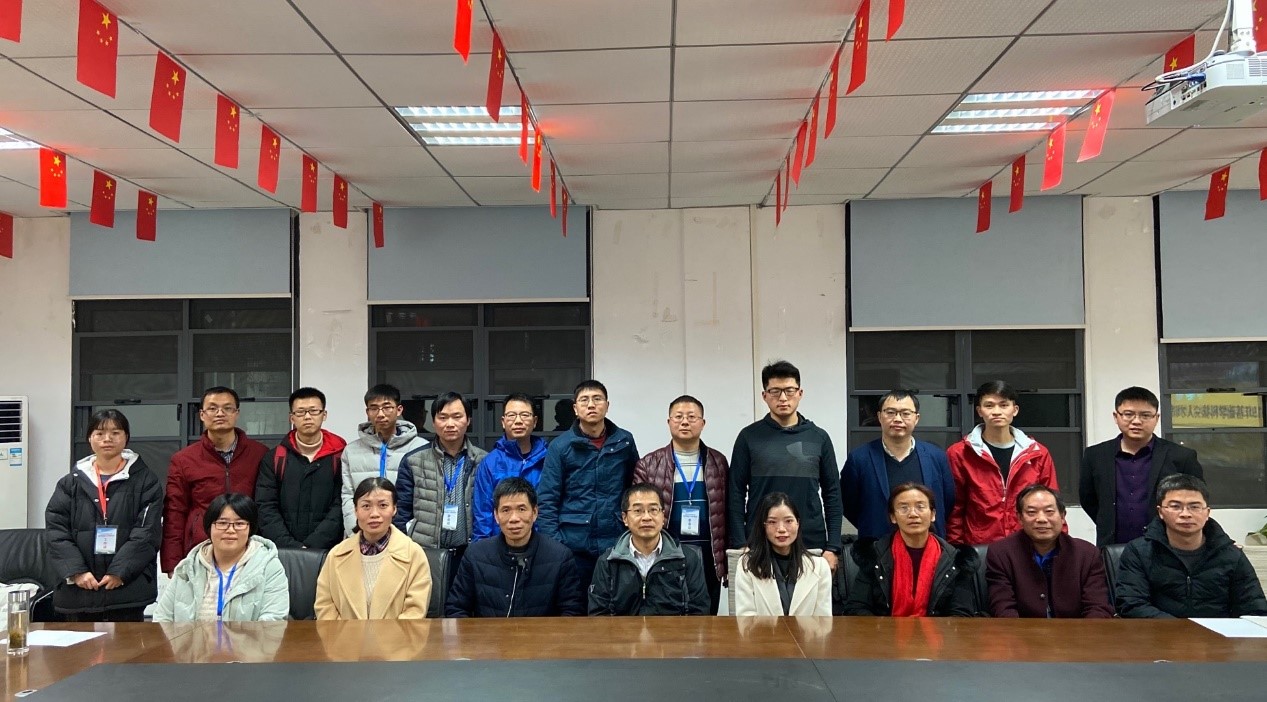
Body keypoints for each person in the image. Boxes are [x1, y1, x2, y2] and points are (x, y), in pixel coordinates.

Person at [45, 409, 163, 622]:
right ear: (90, 438)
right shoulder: (70, 483)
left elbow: (146, 532)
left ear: (126, 437)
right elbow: (56, 531)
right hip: (78, 590)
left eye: (115, 433)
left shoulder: (146, 481)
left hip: (127, 588)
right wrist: (77, 572)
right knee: (79, 644)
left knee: (127, 644)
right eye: (99, 433)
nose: (107, 439)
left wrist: (120, 572)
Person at [728, 360, 842, 570]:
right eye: (775, 391)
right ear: (764, 395)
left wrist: (833, 546)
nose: (782, 398)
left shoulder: (818, 438)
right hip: (759, 544)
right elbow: (735, 492)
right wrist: (740, 543)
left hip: (810, 543)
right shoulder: (749, 437)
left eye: (789, 391)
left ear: (800, 393)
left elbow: (833, 493)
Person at [1116, 474, 1267, 618]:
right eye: (1175, 506)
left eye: (1194, 507)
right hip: (1159, 632)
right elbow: (1132, 604)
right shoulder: (1139, 552)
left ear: (1207, 513)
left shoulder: (1231, 554)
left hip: (1217, 635)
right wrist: (1183, 630)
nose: (1185, 514)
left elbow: (1254, 608)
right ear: (1160, 512)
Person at [632, 394, 729, 614]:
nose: (685, 422)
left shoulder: (718, 462)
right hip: (666, 553)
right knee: (665, 615)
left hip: (709, 555)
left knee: (705, 616)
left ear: (703, 423)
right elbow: (635, 512)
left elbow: (728, 511)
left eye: (692, 417)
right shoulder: (649, 464)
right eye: (678, 417)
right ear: (669, 422)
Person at [537, 379, 639, 587]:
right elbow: (547, 500)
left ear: (607, 406)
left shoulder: (624, 441)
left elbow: (634, 490)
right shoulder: (560, 446)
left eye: (597, 399)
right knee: (575, 603)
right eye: (584, 400)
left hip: (616, 542)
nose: (591, 405)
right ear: (575, 409)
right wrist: (557, 545)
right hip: (573, 546)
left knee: (616, 602)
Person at [162, 386, 268, 574]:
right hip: (201, 550)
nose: (220, 413)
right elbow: (175, 512)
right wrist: (173, 563)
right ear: (202, 415)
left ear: (237, 413)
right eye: (212, 408)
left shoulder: (260, 454)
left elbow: (268, 505)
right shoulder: (184, 459)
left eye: (227, 408)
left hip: (251, 550)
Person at [1079, 386, 1204, 546]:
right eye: (1128, 414)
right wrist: (1107, 522)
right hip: (1112, 545)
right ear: (1116, 416)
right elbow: (1088, 499)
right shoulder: (1095, 455)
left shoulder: (1181, 456)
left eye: (1145, 415)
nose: (1136, 421)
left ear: (1156, 418)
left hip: (1166, 545)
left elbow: (1197, 500)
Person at [446, 477, 584, 617]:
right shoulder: (475, 555)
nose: (514, 518)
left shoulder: (560, 557)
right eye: (506, 510)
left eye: (521, 509)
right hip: (489, 632)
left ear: (535, 512)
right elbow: (456, 609)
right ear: (496, 515)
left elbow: (572, 613)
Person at [945, 380, 1059, 545]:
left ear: (1015, 410)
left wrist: (1060, 545)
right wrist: (956, 548)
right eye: (989, 405)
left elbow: (1053, 505)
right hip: (980, 547)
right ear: (979, 411)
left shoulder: (1037, 453)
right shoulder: (960, 453)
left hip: (1027, 545)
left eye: (1004, 405)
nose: (997, 412)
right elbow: (955, 508)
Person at [844, 483, 978, 617]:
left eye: (920, 507)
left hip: (937, 630)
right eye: (904, 508)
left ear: (933, 514)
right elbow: (856, 608)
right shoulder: (875, 555)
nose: (913, 514)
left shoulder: (955, 560)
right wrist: (884, 629)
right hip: (885, 629)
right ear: (893, 517)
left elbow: (961, 614)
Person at [153, 493, 290, 622]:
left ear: (250, 528)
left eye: (239, 524)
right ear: (209, 527)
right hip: (190, 640)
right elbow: (162, 618)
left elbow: (273, 621)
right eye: (222, 523)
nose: (230, 530)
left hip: (248, 641)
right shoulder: (188, 567)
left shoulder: (269, 567)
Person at [840, 390, 955, 540]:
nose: (898, 419)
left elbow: (948, 501)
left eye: (905, 413)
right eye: (890, 412)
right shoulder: (859, 459)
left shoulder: (936, 457)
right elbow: (848, 505)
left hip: (927, 545)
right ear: (879, 416)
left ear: (916, 418)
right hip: (876, 546)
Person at [985, 485, 1113, 618]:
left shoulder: (1087, 554)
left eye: (1049, 511)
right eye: (1032, 512)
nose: (1041, 519)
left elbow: (1098, 607)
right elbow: (1003, 609)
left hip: (1076, 630)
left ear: (1062, 516)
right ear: (1020, 518)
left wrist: (1084, 632)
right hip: (1021, 630)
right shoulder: (1001, 554)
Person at [316, 477, 432, 619]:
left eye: (383, 505)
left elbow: (414, 613)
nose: (374, 514)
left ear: (394, 509)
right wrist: (347, 633)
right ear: (355, 510)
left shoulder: (414, 554)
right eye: (366, 506)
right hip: (344, 634)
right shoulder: (336, 555)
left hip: (397, 634)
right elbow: (325, 607)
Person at [589, 483, 709, 616]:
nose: (646, 517)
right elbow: (598, 614)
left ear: (662, 516)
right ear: (625, 518)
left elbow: (699, 612)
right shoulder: (608, 562)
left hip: (674, 630)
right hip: (622, 630)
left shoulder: (687, 559)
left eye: (653, 510)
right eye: (638, 511)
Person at [255, 387, 347, 550]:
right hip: (283, 550)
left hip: (329, 549)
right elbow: (266, 506)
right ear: (291, 417)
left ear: (324, 415)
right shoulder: (275, 458)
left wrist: (314, 544)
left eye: (314, 411)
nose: (307, 417)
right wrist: (291, 546)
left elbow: (341, 504)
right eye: (300, 412)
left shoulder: (340, 455)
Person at [394, 392, 488, 551]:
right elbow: (401, 513)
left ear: (468, 420)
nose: (450, 424)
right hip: (425, 551)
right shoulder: (413, 461)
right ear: (433, 422)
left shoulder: (483, 461)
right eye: (443, 417)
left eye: (457, 417)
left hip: (470, 552)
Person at [340, 384, 427, 535]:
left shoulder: (420, 448)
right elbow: (348, 495)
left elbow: (424, 497)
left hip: (405, 536)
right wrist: (357, 531)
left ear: (399, 410)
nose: (380, 414)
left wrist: (406, 533)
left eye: (387, 407)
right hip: (361, 534)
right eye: (374, 408)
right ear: (367, 412)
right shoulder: (351, 450)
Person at [733, 492, 832, 616]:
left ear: (798, 523)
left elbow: (823, 620)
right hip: (762, 629)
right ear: (763, 526)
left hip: (808, 630)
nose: (781, 529)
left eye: (788, 521)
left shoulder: (820, 567)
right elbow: (746, 619)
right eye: (772, 522)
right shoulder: (748, 565)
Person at [472, 393, 549, 541]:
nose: (518, 421)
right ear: (503, 422)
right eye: (512, 415)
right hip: (499, 545)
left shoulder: (548, 459)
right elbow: (483, 513)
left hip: (540, 544)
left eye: (524, 415)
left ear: (535, 421)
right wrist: (482, 549)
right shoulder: (490, 463)